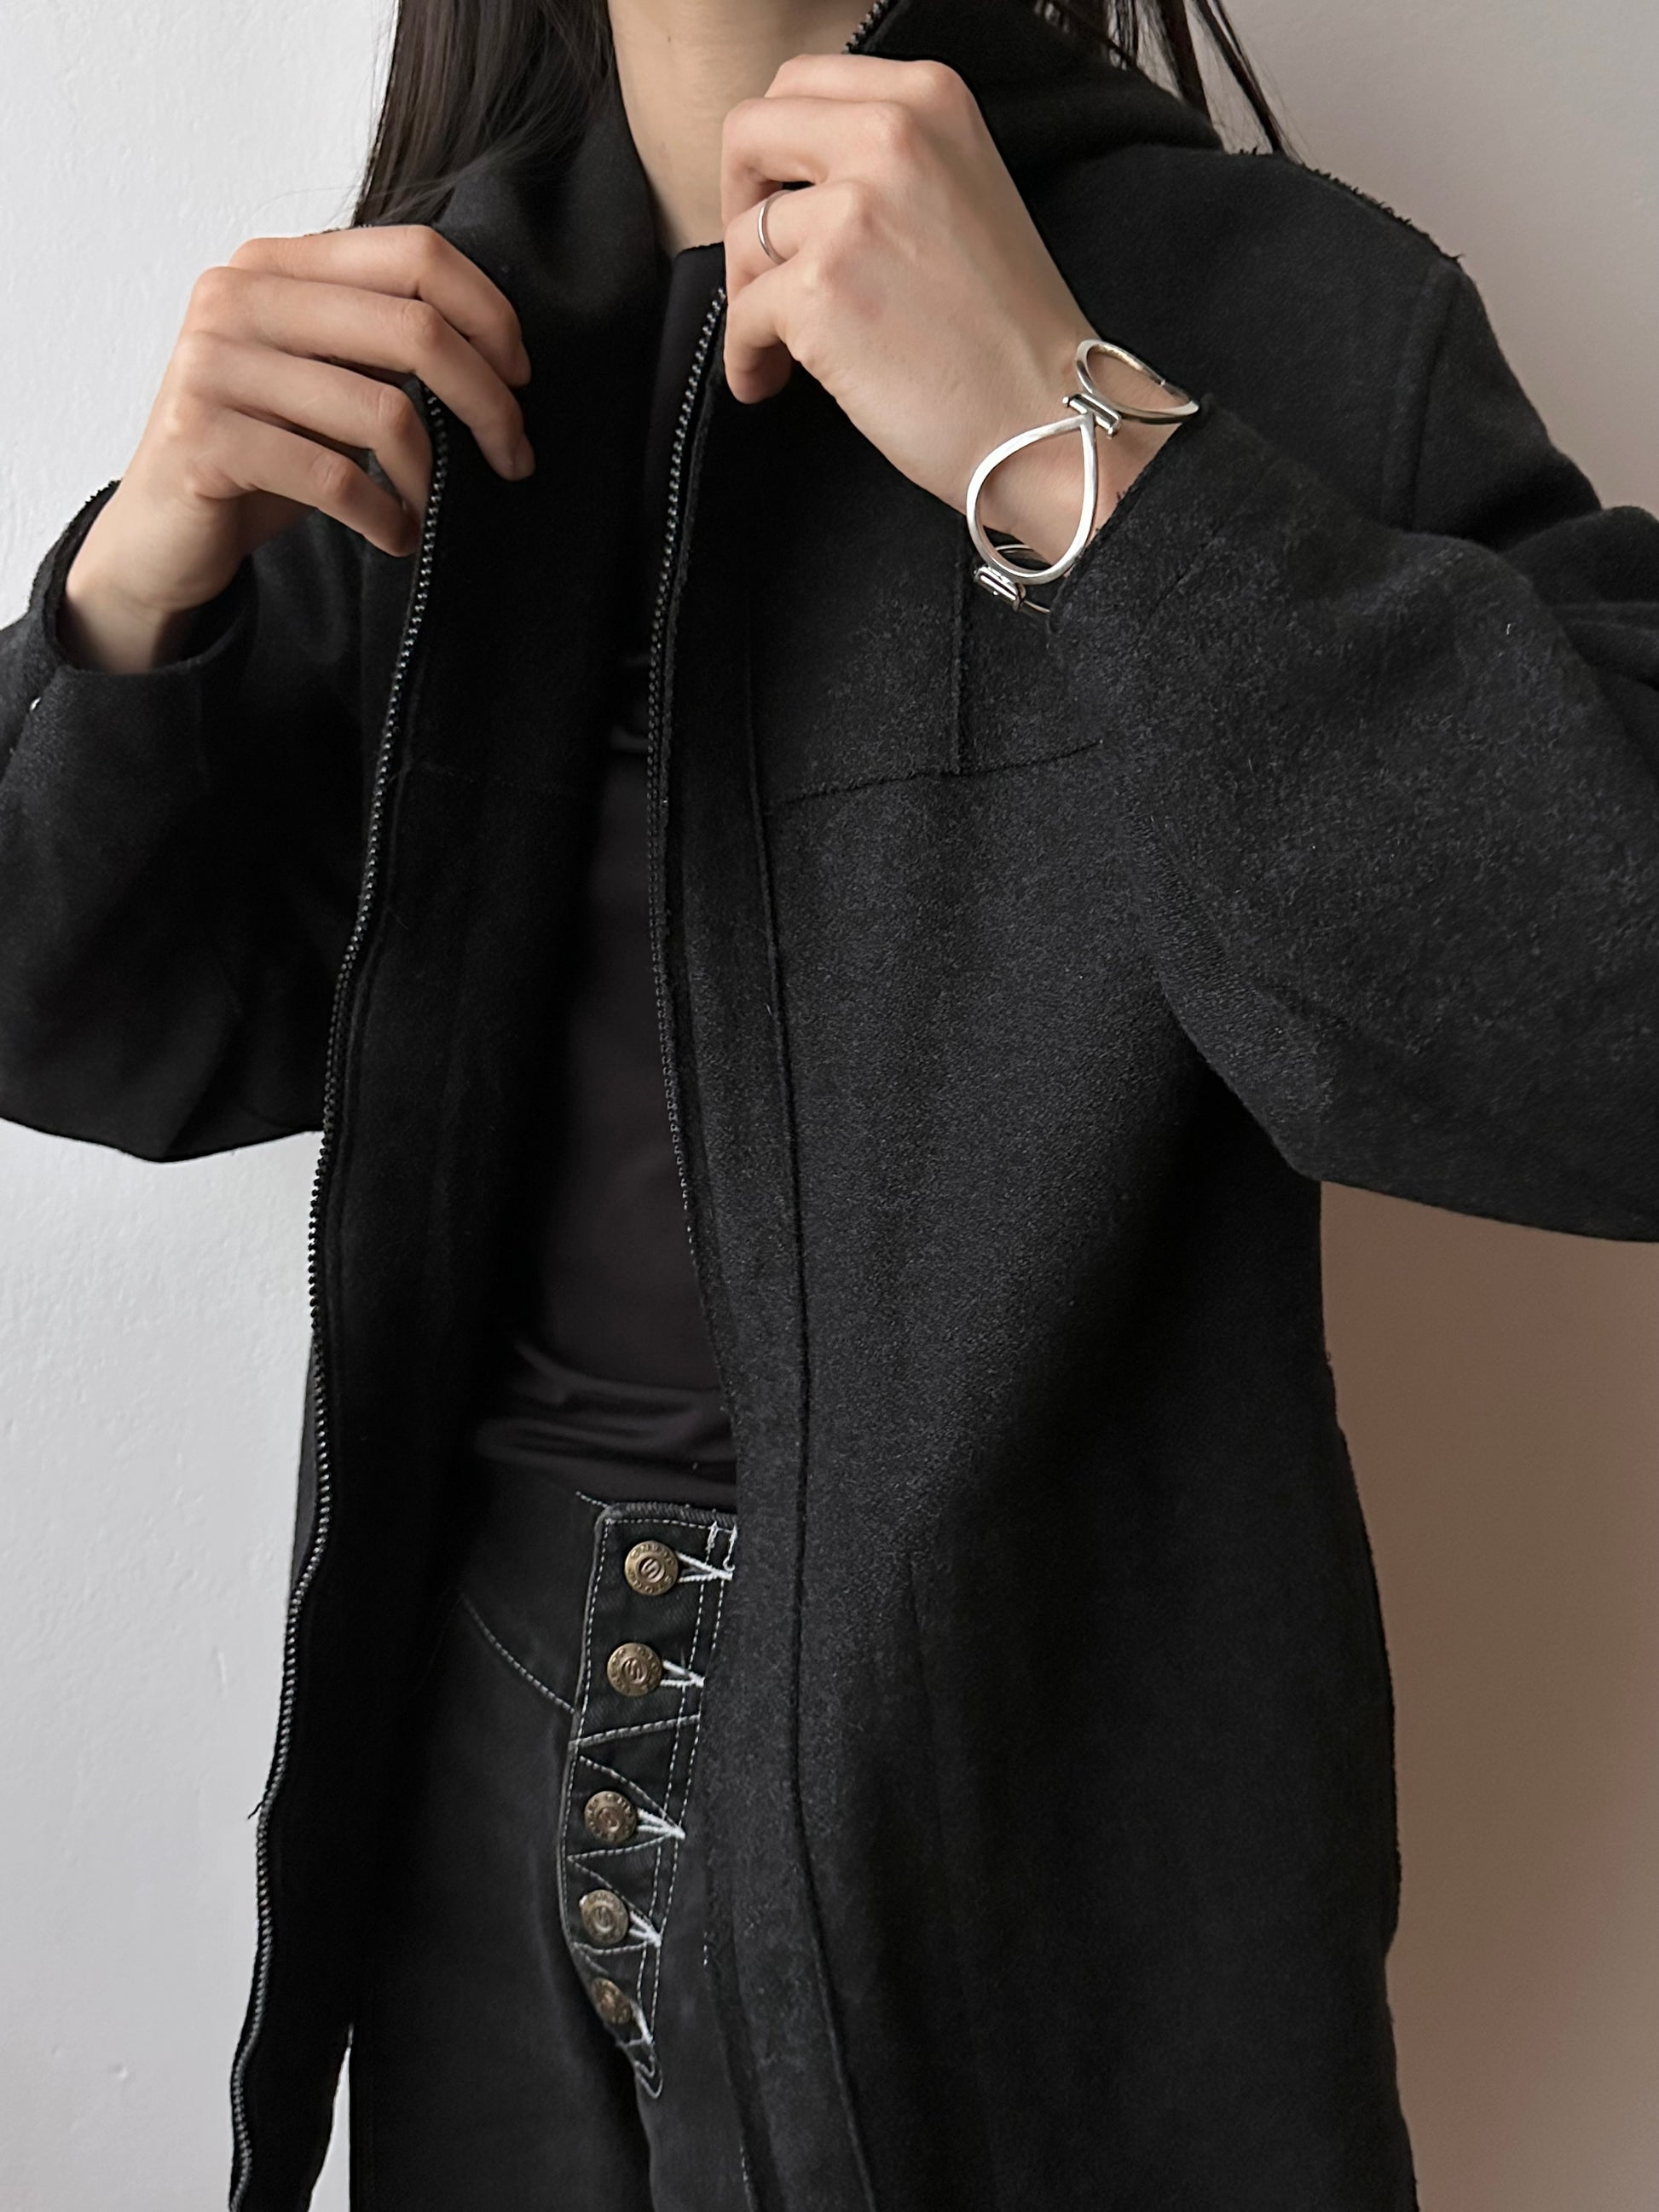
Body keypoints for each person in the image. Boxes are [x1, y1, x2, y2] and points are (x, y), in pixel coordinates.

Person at [2, 0, 1656, 2203]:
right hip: (469, 1862)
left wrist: (1065, 438)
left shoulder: (1277, 301)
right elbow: (85, 1017)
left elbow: (1612, 1031)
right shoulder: (411, 362)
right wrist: (134, 586)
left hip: (1037, 1886)